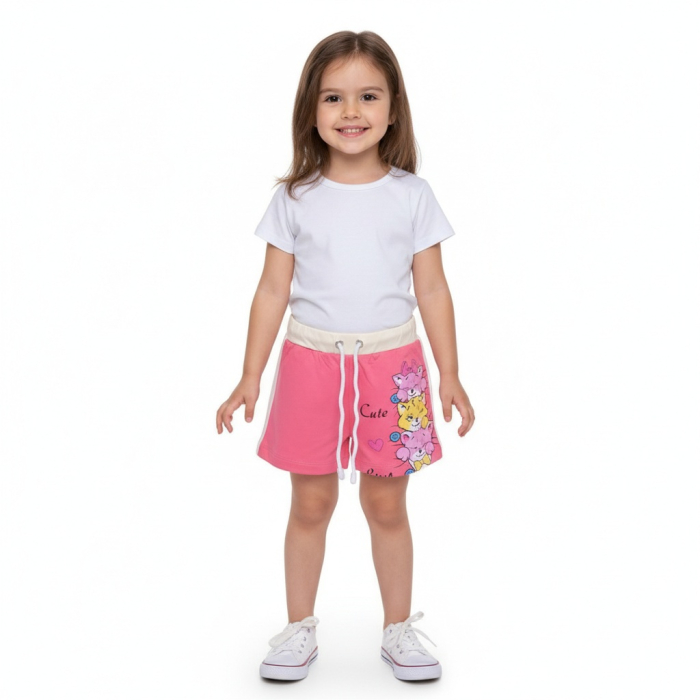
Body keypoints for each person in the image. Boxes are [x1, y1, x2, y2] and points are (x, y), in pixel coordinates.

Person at [215, 30, 475, 682]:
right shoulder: (294, 199)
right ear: (311, 108)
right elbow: (272, 290)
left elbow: (433, 289)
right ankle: (298, 628)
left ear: (393, 109)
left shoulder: (413, 196)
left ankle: (398, 630)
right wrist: (249, 375)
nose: (351, 111)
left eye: (368, 96)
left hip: (396, 369)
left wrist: (450, 373)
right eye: (333, 97)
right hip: (311, 366)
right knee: (310, 504)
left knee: (388, 506)